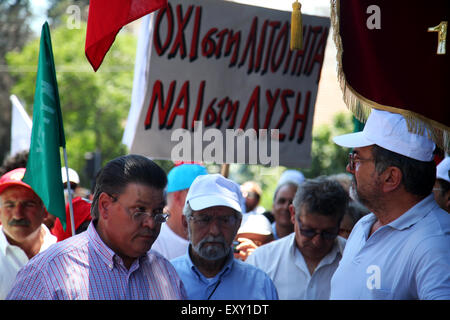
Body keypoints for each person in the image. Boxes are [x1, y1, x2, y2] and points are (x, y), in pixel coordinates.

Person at [7, 155, 186, 300]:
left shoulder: (165, 273)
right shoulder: (47, 273)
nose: (151, 223)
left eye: (157, 212)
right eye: (139, 210)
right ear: (105, 206)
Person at [330, 109, 450, 300]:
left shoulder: (435, 242)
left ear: (390, 177)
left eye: (357, 159)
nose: (349, 168)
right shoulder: (363, 226)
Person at [171, 174, 279, 300]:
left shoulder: (260, 285)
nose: (215, 231)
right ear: (185, 223)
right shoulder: (165, 278)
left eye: (225, 220)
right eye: (204, 219)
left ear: (238, 224)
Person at [246, 176, 349, 299]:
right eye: (308, 231)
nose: (317, 241)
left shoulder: (355, 259)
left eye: (328, 233)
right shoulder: (262, 260)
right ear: (293, 214)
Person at [0, 168, 56, 299]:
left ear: (45, 210)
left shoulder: (65, 254)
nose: (18, 215)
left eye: (28, 204)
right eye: (10, 205)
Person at [152, 163, 207, 260]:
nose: (208, 201)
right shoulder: (153, 240)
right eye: (200, 194)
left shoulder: (211, 237)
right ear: (178, 197)